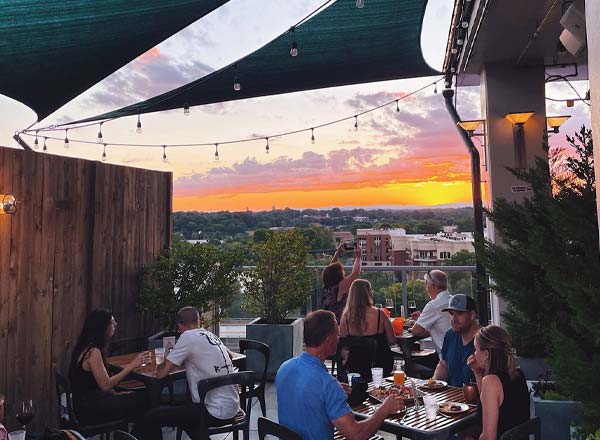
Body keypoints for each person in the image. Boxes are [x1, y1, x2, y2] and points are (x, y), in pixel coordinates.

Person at [276, 310, 405, 440]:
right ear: (328, 340)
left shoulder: (284, 368)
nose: (338, 339)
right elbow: (357, 434)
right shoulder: (328, 385)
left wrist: (331, 391)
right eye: (336, 335)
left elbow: (305, 393)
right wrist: (384, 410)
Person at [145, 306, 240, 440]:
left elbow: (161, 374)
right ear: (199, 321)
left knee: (152, 416)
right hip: (233, 406)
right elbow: (229, 356)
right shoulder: (211, 335)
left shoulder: (187, 337)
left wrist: (169, 358)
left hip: (214, 411)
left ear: (179, 326)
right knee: (185, 416)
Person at [69, 309, 150, 437]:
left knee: (140, 402)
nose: (115, 325)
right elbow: (105, 385)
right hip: (90, 410)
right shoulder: (93, 352)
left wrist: (118, 394)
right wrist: (131, 366)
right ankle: (134, 436)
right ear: (103, 328)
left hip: (85, 404)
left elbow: (97, 384)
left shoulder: (84, 347)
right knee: (145, 401)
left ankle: (135, 436)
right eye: (112, 323)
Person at [464, 325, 530, 440]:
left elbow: (489, 437)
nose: (474, 353)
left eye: (476, 349)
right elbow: (487, 402)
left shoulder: (491, 381)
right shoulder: (518, 374)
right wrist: (477, 371)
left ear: (486, 354)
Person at [339, 279, 396, 379]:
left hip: (355, 367)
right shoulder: (380, 314)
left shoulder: (345, 318)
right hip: (380, 366)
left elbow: (344, 345)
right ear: (369, 293)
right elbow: (392, 341)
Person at [432, 294, 480, 387]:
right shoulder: (450, 334)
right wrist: (432, 386)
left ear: (472, 315)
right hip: (451, 397)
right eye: (451, 313)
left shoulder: (484, 340)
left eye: (459, 313)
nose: (453, 319)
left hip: (476, 398)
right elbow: (443, 364)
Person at [410, 269, 452, 354]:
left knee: (413, 358)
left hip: (444, 356)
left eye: (426, 284)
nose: (426, 288)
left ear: (432, 286)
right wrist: (424, 319)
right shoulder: (453, 300)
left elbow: (415, 331)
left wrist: (427, 326)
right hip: (458, 352)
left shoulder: (433, 305)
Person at [322, 243, 362, 322]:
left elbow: (331, 268)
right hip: (340, 322)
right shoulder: (342, 286)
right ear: (339, 273)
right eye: (342, 270)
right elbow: (356, 273)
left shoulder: (327, 285)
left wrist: (338, 253)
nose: (344, 271)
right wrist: (358, 257)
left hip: (327, 321)